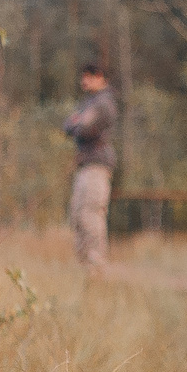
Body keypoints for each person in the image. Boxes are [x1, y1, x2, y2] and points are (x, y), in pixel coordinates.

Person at [61, 64, 117, 272]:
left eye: (90, 76)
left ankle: (96, 266)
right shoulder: (89, 102)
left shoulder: (104, 103)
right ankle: (84, 266)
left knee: (90, 214)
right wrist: (76, 123)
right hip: (85, 164)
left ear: (101, 77)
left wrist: (78, 123)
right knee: (77, 214)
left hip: (97, 165)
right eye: (83, 76)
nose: (84, 81)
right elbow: (68, 125)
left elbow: (83, 127)